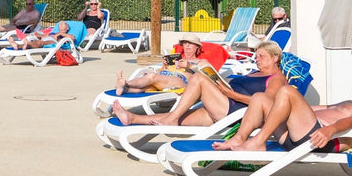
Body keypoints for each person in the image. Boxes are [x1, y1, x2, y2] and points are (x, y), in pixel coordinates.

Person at [111, 41, 292, 129]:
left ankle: (171, 119)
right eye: (256, 55)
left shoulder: (276, 78)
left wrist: (230, 95)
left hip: (236, 112)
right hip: (225, 104)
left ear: (275, 58)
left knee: (198, 79)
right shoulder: (255, 72)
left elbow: (267, 102)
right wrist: (220, 83)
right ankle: (132, 119)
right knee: (180, 116)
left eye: (261, 56)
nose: (256, 59)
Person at [213, 66, 352, 152]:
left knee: (287, 91)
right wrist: (281, 109)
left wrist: (330, 130)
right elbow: (317, 108)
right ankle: (239, 138)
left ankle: (259, 141)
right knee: (261, 98)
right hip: (300, 134)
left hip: (318, 140)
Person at [112, 38, 214, 95]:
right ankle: (125, 89)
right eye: (185, 44)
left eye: (190, 44)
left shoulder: (201, 61)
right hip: (164, 77)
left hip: (182, 81)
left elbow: (207, 76)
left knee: (152, 77)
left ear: (197, 47)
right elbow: (161, 72)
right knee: (149, 85)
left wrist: (190, 65)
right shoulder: (176, 58)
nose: (187, 46)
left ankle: (126, 83)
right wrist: (164, 66)